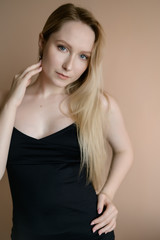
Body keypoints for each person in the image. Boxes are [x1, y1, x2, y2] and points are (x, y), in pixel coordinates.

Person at [0, 3, 134, 240]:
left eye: (83, 56)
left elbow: (125, 151)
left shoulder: (98, 104)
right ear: (42, 42)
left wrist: (108, 194)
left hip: (89, 230)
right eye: (62, 47)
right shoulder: (5, 103)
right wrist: (11, 104)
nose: (69, 66)